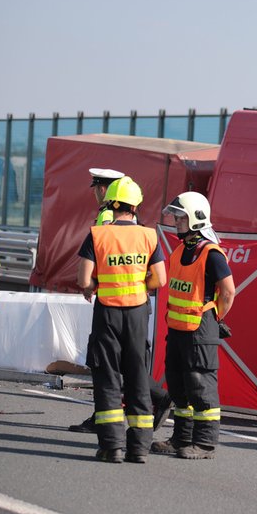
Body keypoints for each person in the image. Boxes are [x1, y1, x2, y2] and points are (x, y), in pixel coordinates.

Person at [70, 168, 174, 435]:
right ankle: (131, 423)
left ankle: (109, 420)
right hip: (138, 302)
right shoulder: (144, 230)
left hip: (114, 302)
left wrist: (97, 285)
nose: (95, 193)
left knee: (108, 363)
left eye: (97, 188)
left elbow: (103, 265)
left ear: (107, 192)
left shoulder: (106, 221)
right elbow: (157, 276)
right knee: (132, 361)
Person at [151, 192, 235, 460]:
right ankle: (181, 438)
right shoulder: (179, 251)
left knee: (201, 387)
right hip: (177, 330)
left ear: (196, 219)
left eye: (181, 216)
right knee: (178, 386)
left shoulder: (211, 254)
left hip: (200, 330)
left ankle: (205, 443)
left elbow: (228, 292)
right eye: (176, 216)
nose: (176, 220)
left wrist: (215, 318)